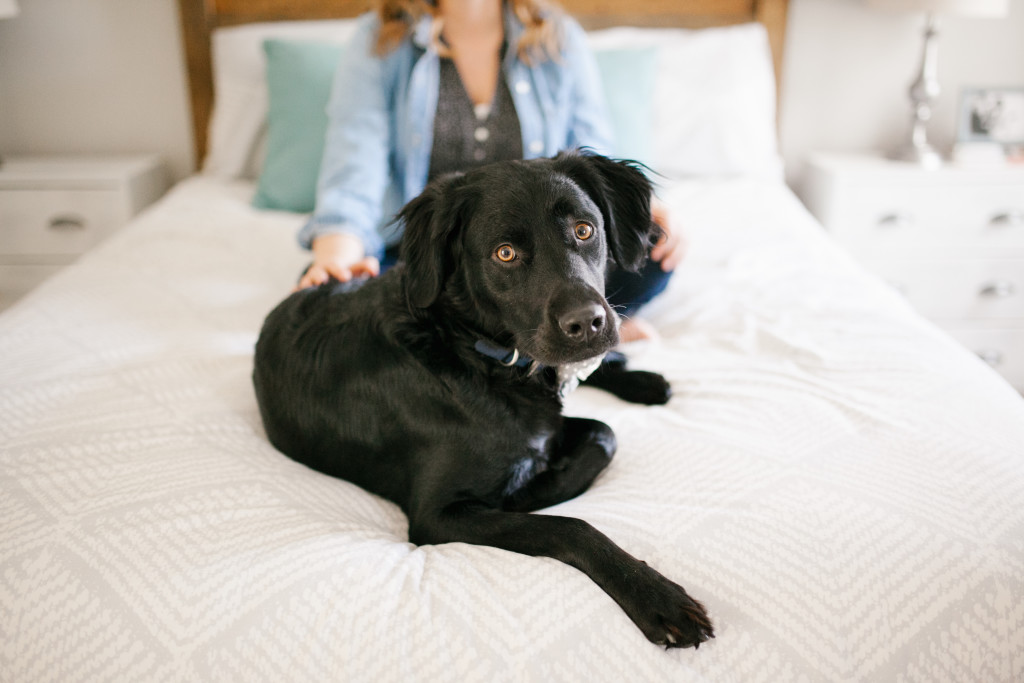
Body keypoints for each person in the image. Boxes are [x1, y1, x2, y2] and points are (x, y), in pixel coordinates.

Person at [297, 0, 684, 341]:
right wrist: (338, 258)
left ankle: (580, 326)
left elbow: (591, 156)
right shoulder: (379, 38)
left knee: (653, 250)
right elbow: (354, 161)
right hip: (435, 248)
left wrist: (638, 207)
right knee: (345, 301)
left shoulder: (558, 35)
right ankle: (562, 336)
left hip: (548, 247)